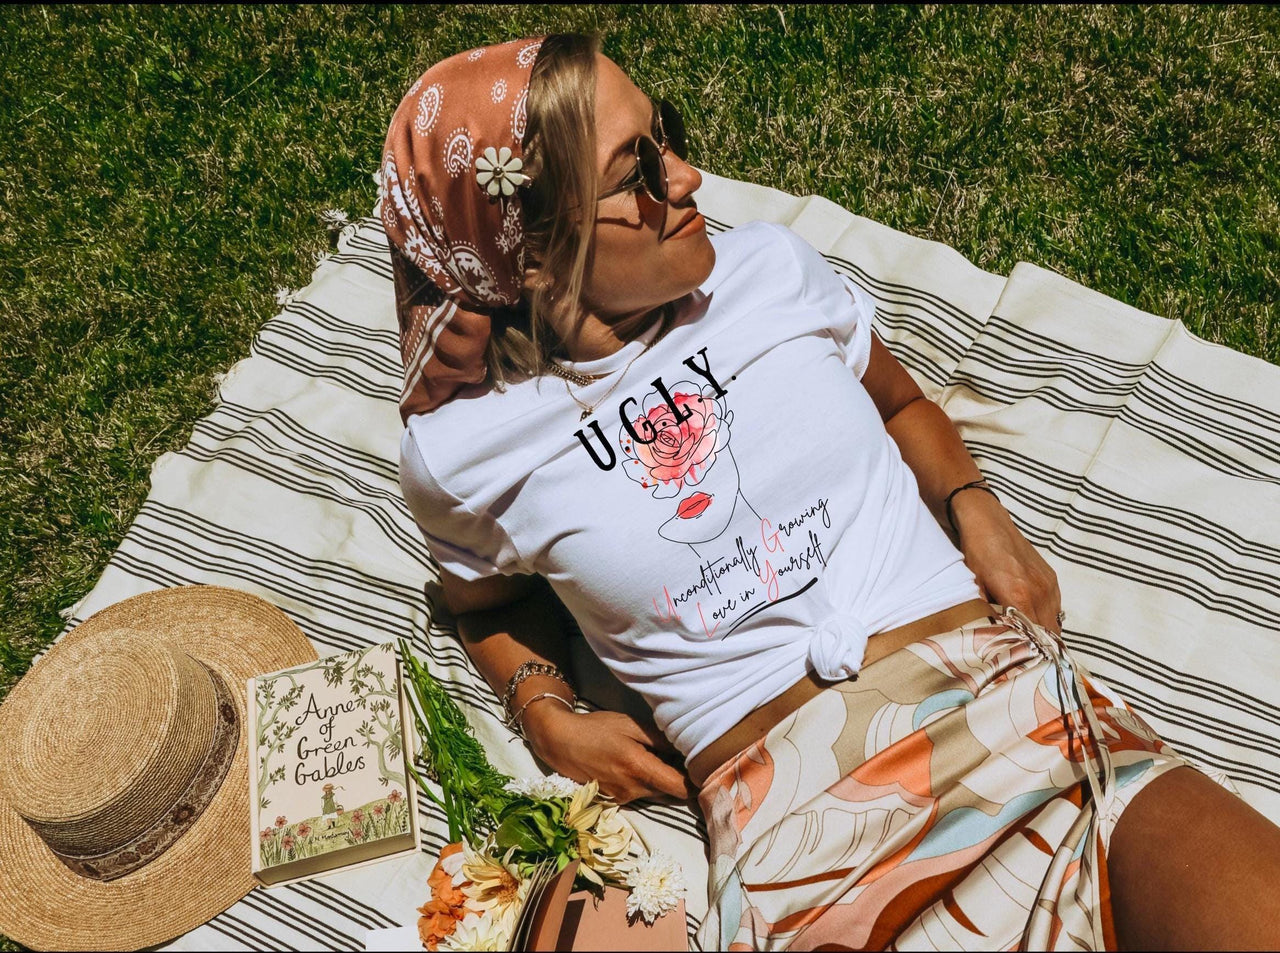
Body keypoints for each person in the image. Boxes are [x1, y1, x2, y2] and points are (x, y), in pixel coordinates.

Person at [380, 34, 1280, 950]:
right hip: (801, 836)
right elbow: (482, 601)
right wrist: (544, 712)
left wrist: (979, 510)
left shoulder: (766, 272)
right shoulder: (468, 450)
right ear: (525, 254)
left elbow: (900, 402)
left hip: (1015, 709)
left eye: (669, 136)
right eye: (636, 171)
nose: (688, 178)